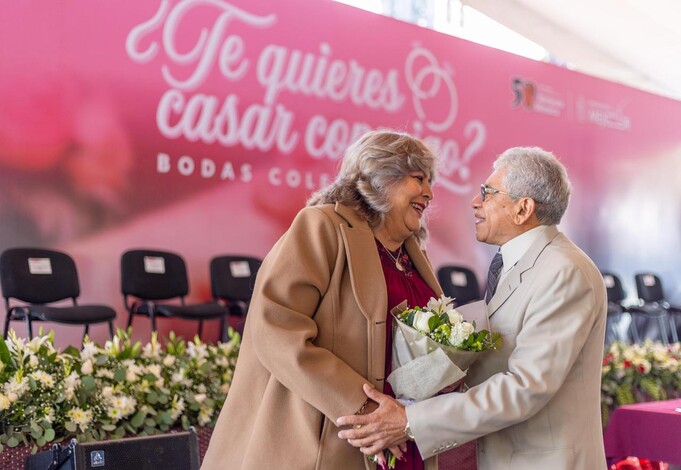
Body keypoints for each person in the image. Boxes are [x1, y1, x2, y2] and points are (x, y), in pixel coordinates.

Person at [338, 146, 608, 470]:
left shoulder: (564, 272)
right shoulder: (520, 263)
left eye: (488, 192)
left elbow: (526, 388)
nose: (475, 202)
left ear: (523, 209)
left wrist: (410, 419)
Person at [201, 129, 443, 470]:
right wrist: (365, 410)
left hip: (401, 435)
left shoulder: (414, 254)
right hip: (333, 437)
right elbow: (275, 329)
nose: (429, 193)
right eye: (419, 178)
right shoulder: (322, 226)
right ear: (380, 176)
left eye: (430, 181)